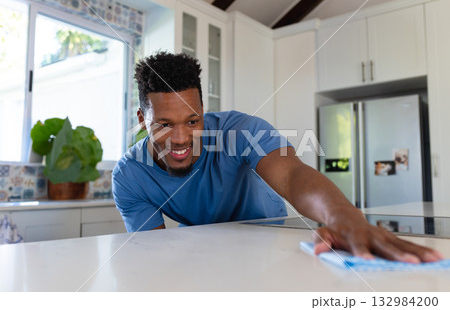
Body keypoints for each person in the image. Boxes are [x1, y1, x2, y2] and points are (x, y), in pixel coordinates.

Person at [112, 52, 442, 263]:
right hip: (206, 249)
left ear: (203, 111)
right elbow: (154, 252)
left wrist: (343, 216)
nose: (182, 138)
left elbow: (292, 174)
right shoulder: (128, 176)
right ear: (142, 120)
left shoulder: (240, 130)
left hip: (271, 237)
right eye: (165, 125)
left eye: (193, 121)